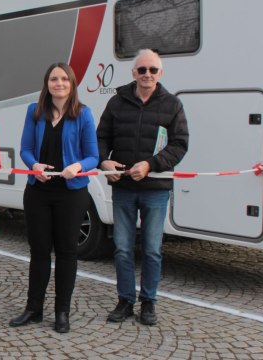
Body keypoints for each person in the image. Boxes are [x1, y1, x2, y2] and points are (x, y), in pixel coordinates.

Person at [97, 48, 189, 326]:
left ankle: (149, 302)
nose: (147, 74)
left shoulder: (172, 104)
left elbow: (179, 145)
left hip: (155, 188)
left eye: (152, 70)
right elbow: (101, 137)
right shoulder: (117, 102)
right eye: (142, 70)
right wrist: (104, 161)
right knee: (123, 248)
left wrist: (151, 164)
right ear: (133, 73)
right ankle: (125, 300)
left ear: (160, 73)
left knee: (151, 249)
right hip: (123, 187)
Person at [8, 62, 99, 333]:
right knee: (38, 252)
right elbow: (25, 149)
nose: (59, 84)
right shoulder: (34, 112)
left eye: (64, 79)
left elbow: (93, 156)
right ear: (46, 84)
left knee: (67, 252)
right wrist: (34, 165)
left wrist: (78, 166)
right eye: (53, 79)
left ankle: (62, 312)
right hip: (38, 192)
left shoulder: (83, 114)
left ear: (72, 84)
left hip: (71, 194)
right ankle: (33, 308)